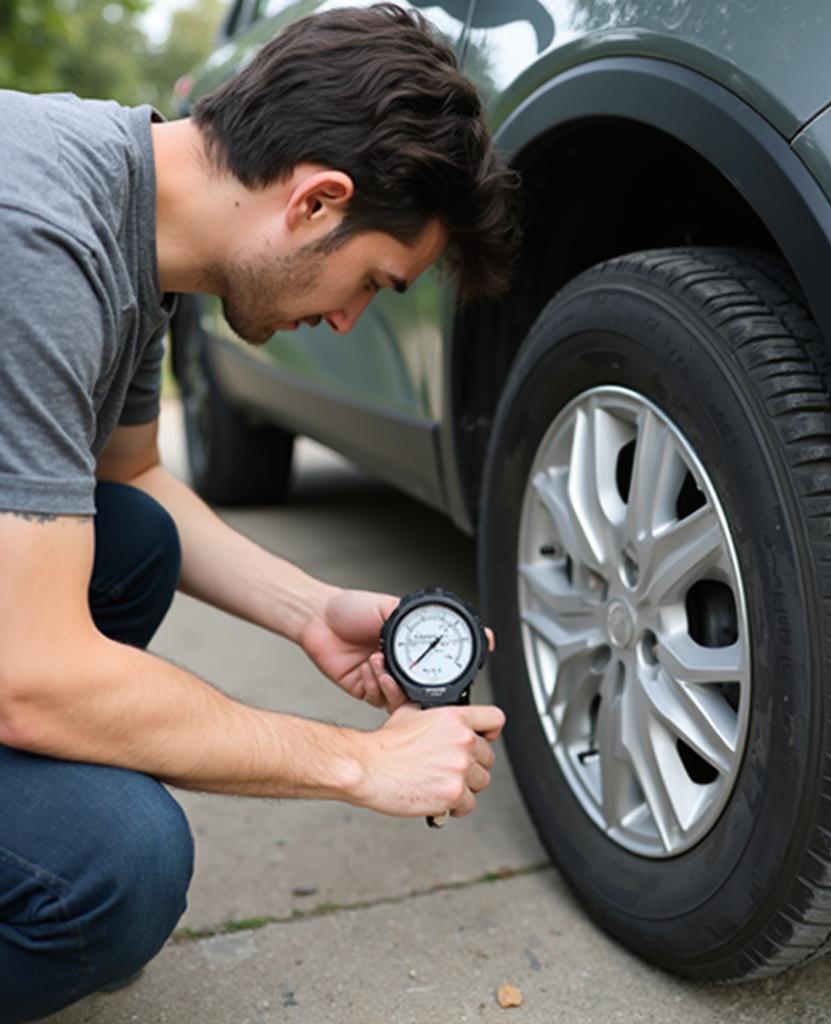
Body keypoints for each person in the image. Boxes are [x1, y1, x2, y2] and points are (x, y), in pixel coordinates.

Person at [0, 5, 519, 1020]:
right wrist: (359, 763)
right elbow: (33, 678)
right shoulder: (37, 237)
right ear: (318, 199)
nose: (344, 318)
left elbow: (136, 477)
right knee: (117, 863)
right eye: (371, 281)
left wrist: (308, 609)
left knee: (131, 539)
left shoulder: (129, 204)